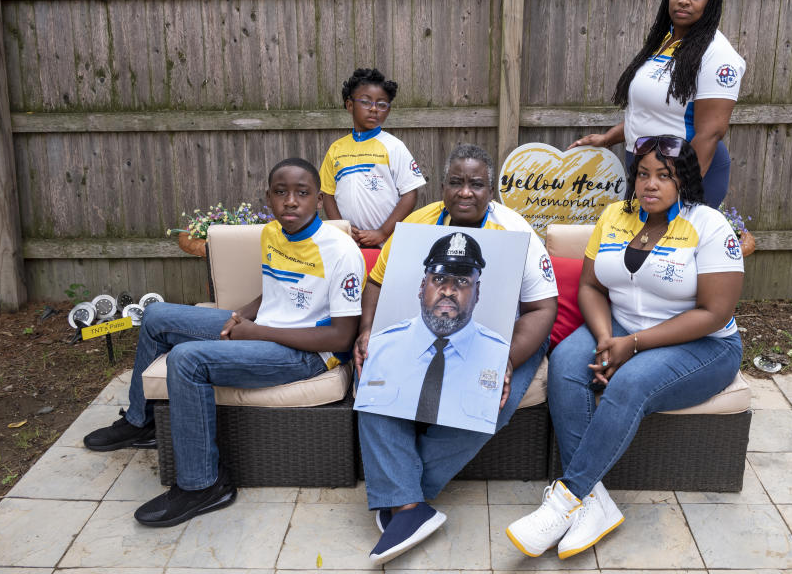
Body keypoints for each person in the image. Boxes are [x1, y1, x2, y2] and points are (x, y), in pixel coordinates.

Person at [82, 157, 365, 527]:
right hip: (265, 329)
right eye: (281, 193)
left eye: (302, 193)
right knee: (156, 316)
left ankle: (204, 485)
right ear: (269, 197)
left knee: (187, 359)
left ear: (319, 199)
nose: (291, 201)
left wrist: (257, 331)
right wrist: (243, 316)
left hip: (309, 354)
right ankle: (142, 422)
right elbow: (277, 293)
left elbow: (342, 336)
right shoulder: (272, 234)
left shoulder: (341, 251)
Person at [506, 135, 744, 559]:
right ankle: (593, 503)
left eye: (664, 176)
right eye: (643, 174)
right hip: (620, 328)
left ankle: (564, 501)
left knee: (629, 384)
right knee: (564, 362)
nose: (650, 184)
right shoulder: (616, 215)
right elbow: (591, 286)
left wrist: (632, 346)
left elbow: (713, 312)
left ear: (683, 181)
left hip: (703, 345)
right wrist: (603, 338)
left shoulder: (709, 226)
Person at [354, 143, 558, 565]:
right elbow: (376, 281)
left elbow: (542, 309)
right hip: (425, 324)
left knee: (490, 399)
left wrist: (507, 361)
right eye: (456, 182)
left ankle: (402, 497)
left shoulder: (517, 232)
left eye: (476, 184)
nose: (466, 192)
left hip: (510, 334)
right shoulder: (417, 223)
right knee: (371, 377)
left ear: (491, 189)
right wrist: (368, 328)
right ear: (443, 186)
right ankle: (410, 506)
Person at [568, 0, 745, 208]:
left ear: (711, 1)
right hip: (648, 170)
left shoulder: (718, 55)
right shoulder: (665, 41)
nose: (684, 0)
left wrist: (678, 188)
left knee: (673, 246)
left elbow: (710, 132)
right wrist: (608, 138)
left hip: (684, 174)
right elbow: (652, 111)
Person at [354, 231, 511, 430]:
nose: (447, 290)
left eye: (462, 281)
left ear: (477, 292)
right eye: (438, 279)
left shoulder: (498, 356)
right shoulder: (379, 348)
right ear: (421, 287)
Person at [320, 67, 426, 247]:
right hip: (349, 244)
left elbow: (410, 193)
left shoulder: (394, 147)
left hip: (386, 243)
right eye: (366, 102)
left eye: (382, 104)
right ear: (350, 105)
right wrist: (342, 230)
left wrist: (382, 232)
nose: (374, 109)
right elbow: (328, 194)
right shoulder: (336, 149)